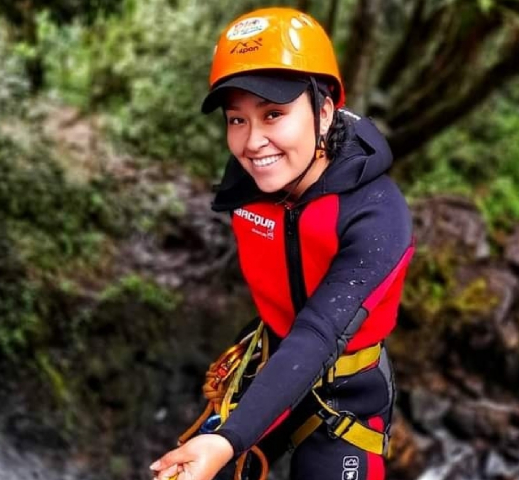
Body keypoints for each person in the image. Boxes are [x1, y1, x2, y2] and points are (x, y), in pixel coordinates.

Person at [150, 7, 414, 480]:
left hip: (346, 395)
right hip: (266, 365)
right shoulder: (247, 185)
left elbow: (318, 334)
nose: (253, 142)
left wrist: (227, 440)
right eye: (237, 120)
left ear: (325, 110)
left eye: (274, 114)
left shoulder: (376, 214)